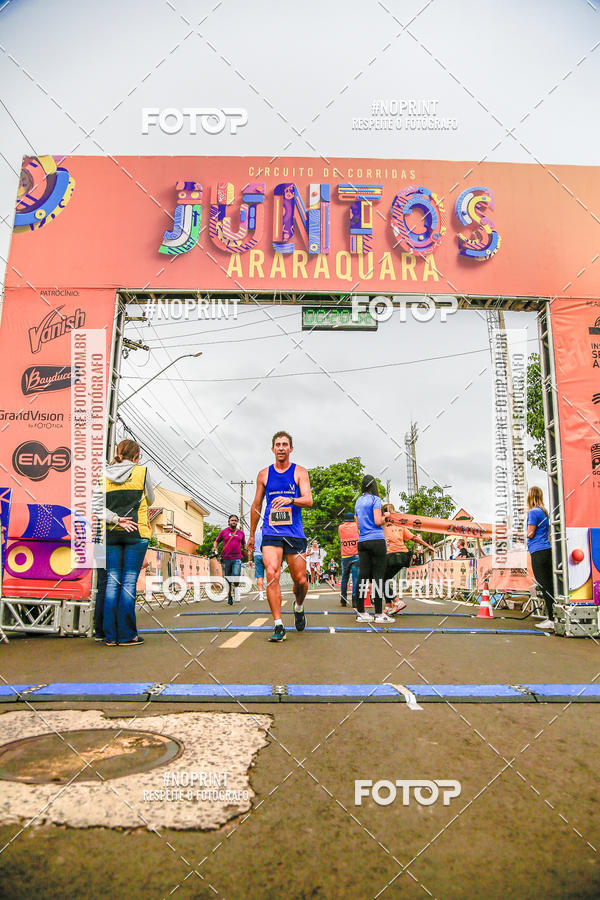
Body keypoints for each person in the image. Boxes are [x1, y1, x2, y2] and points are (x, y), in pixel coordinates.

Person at [248, 431, 312, 642]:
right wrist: (251, 534)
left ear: (291, 448)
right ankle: (278, 624)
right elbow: (256, 505)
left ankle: (299, 606)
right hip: (271, 531)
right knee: (271, 573)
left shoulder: (300, 472)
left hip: (294, 533)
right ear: (273, 449)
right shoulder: (264, 474)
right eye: (278, 444)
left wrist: (290, 500)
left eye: (285, 444)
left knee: (300, 580)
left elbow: (308, 500)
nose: (281, 448)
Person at [103, 439, 154, 646]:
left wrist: (116, 519)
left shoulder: (104, 473)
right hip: (137, 532)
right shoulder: (142, 471)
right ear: (136, 456)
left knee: (112, 581)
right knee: (129, 581)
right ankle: (126, 635)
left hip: (111, 532)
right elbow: (150, 499)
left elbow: (95, 506)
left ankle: (110, 636)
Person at [381, 503, 434, 615]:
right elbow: (414, 538)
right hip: (403, 556)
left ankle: (396, 601)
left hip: (392, 556)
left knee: (380, 580)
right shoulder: (400, 526)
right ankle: (388, 605)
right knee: (385, 579)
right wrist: (428, 545)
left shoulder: (382, 525)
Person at [354, 475, 392, 624]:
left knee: (362, 576)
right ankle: (379, 614)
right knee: (378, 577)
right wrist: (386, 516)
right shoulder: (375, 499)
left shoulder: (358, 501)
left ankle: (361, 613)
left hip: (362, 541)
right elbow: (377, 521)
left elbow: (358, 525)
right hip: (376, 540)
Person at [527, 486, 555, 631]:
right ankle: (554, 616)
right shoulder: (544, 512)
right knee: (549, 585)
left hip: (537, 550)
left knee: (544, 586)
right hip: (546, 549)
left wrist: (519, 535)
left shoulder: (532, 512)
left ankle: (551, 619)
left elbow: (530, 533)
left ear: (530, 497)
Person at [214, 514, 246, 605]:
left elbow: (244, 543)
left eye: (235, 520)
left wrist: (245, 549)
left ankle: (236, 588)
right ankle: (229, 596)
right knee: (227, 579)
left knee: (236, 575)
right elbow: (216, 541)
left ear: (237, 522)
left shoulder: (241, 533)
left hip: (237, 558)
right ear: (229, 522)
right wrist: (215, 548)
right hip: (226, 558)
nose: (234, 522)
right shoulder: (223, 532)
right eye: (232, 520)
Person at [338, 511, 360, 607]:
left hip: (345, 556)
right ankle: (355, 600)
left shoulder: (340, 527)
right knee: (355, 578)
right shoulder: (356, 526)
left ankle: (343, 599)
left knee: (344, 578)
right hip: (356, 555)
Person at [253, 523, 265, 603]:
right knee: (271, 574)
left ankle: (261, 595)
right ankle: (272, 593)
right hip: (267, 555)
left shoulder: (255, 535)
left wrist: (250, 559)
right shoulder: (268, 534)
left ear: (260, 528)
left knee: (259, 576)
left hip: (257, 555)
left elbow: (250, 547)